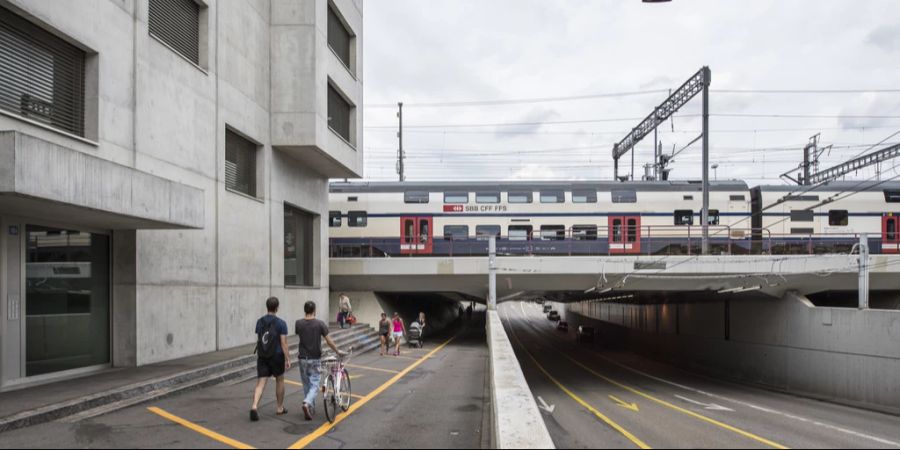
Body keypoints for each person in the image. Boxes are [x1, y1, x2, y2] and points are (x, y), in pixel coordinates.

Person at [296, 301, 345, 421]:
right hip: (314, 358)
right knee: (315, 384)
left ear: (305, 310)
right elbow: (328, 341)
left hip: (302, 358)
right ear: (314, 310)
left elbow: (301, 336)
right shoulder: (319, 324)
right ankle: (307, 403)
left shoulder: (298, 323)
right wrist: (337, 351)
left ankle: (310, 408)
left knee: (306, 384)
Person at [251, 297, 291, 422]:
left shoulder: (259, 321)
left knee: (260, 383)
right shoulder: (281, 323)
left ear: (267, 307)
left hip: (263, 355)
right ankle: (279, 407)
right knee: (279, 381)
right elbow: (283, 343)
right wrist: (288, 358)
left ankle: (254, 405)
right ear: (277, 308)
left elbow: (260, 337)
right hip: (277, 355)